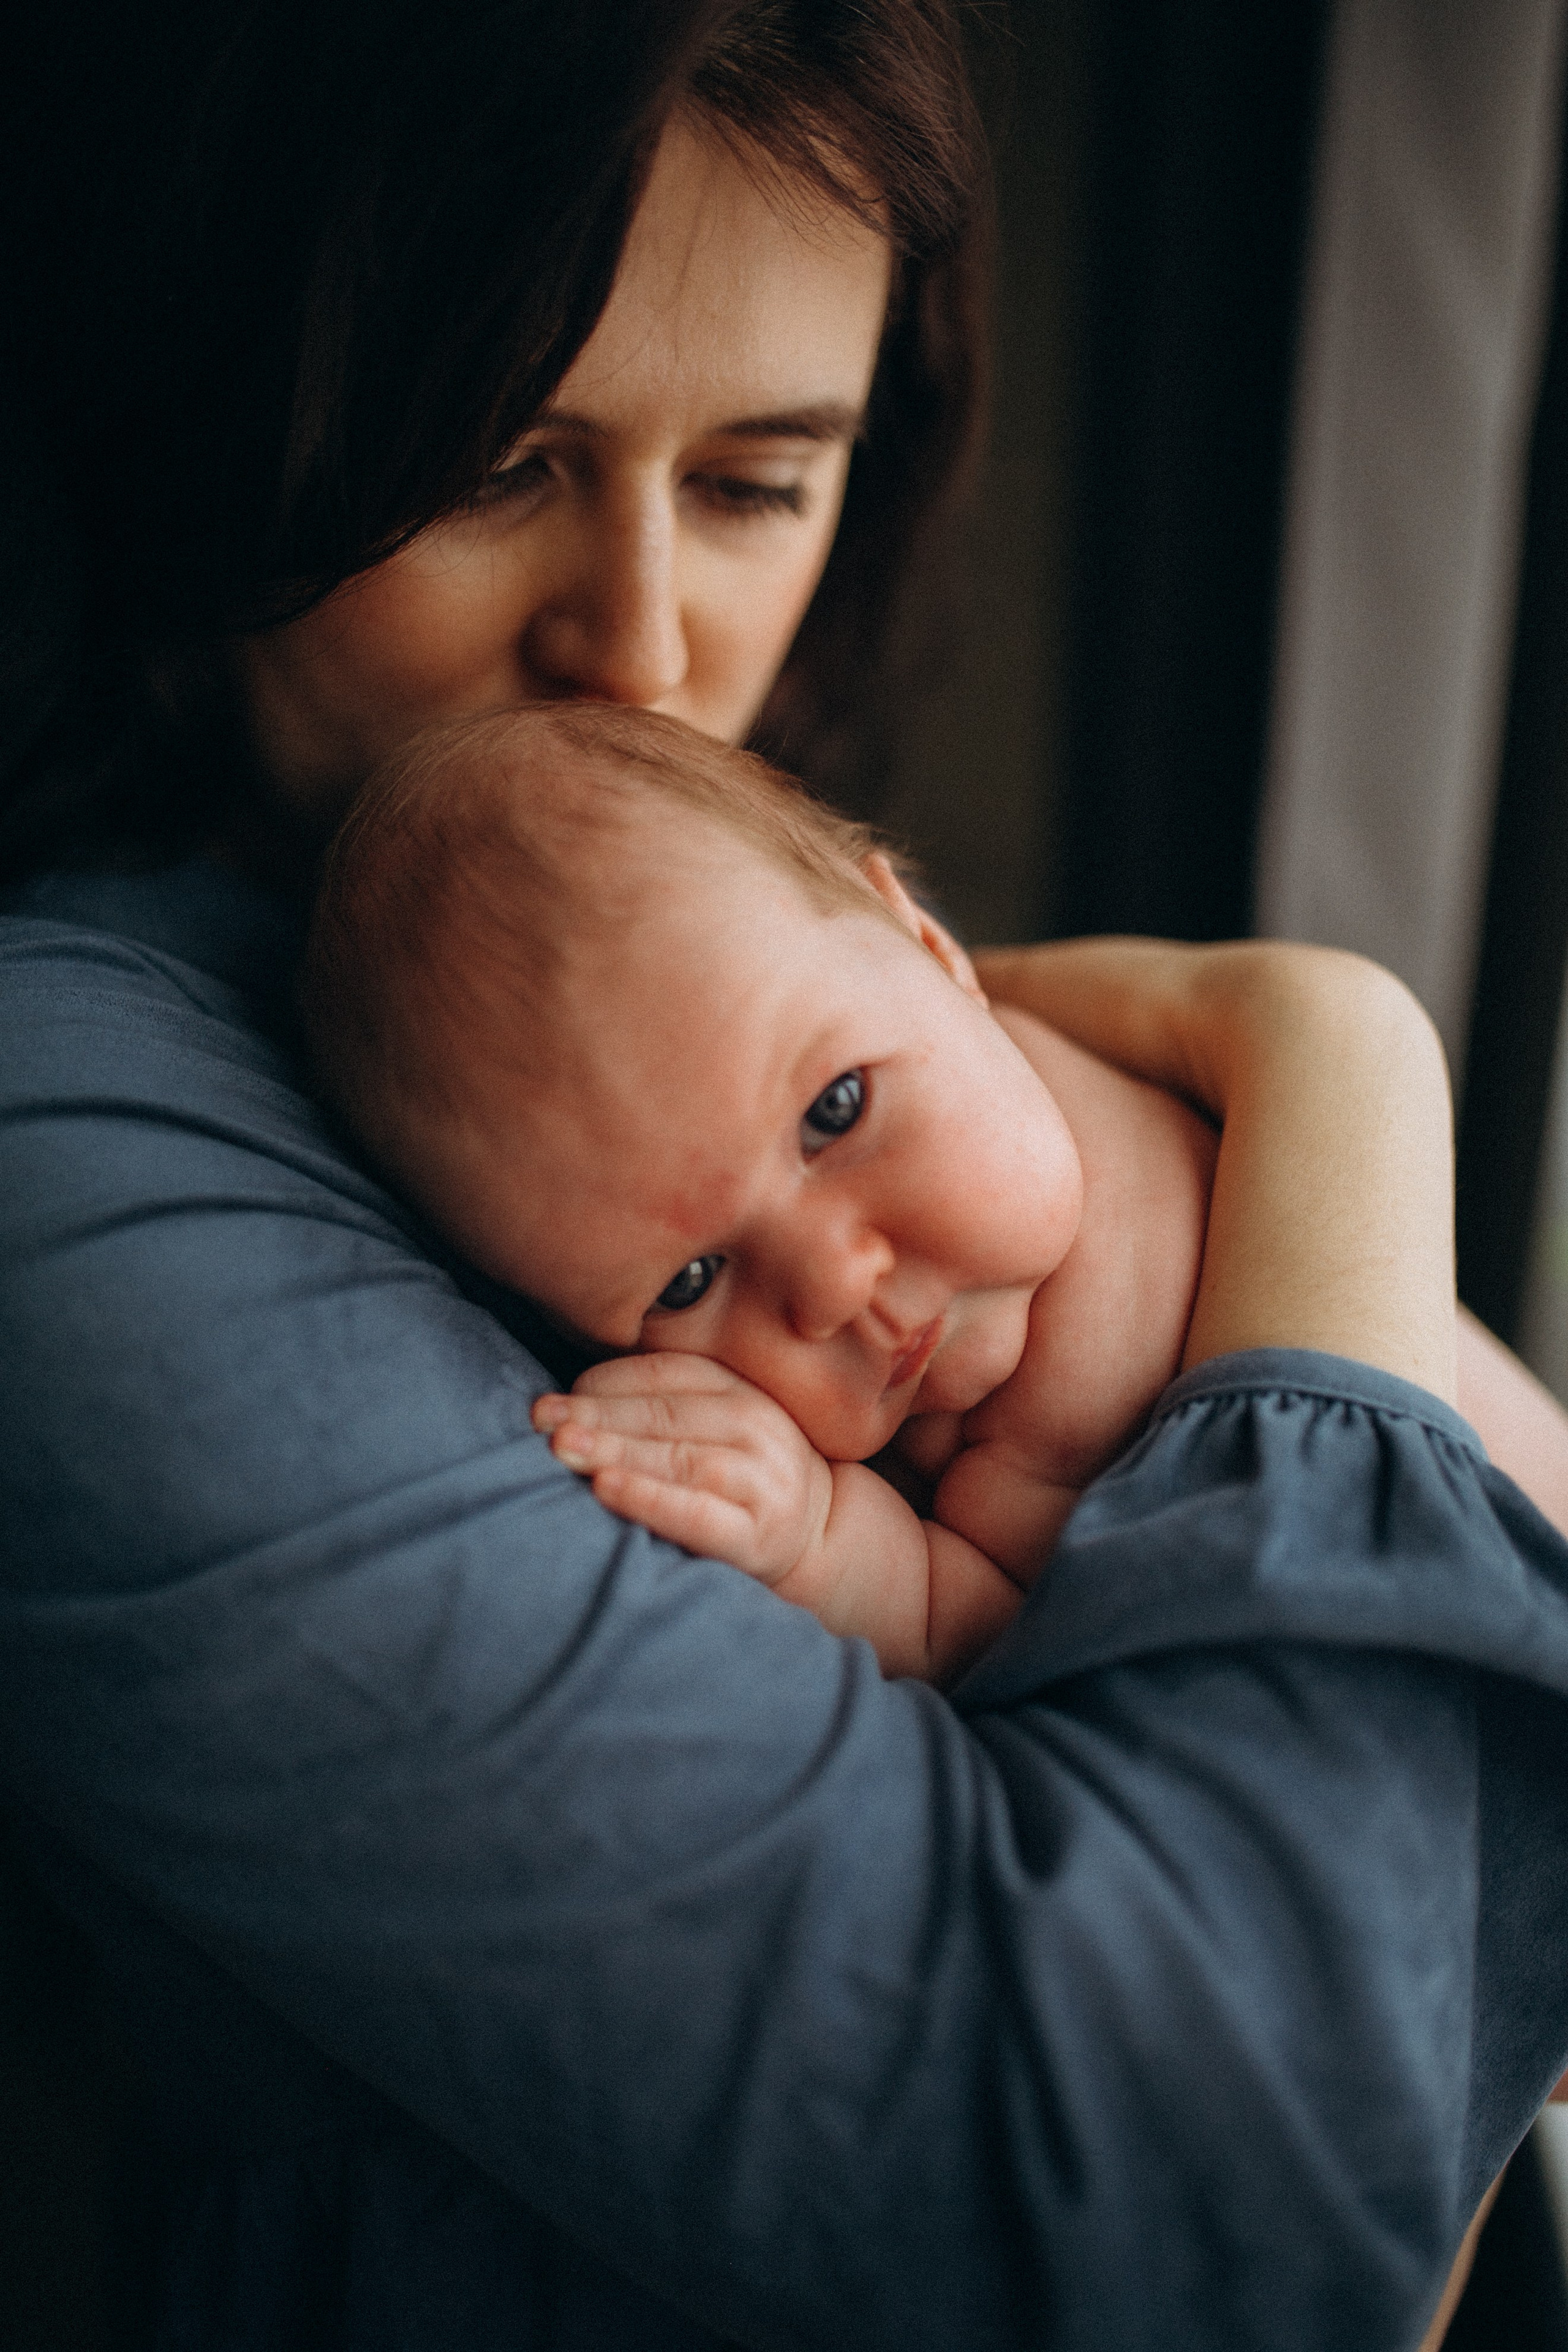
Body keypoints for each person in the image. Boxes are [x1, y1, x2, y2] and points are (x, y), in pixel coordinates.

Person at [4, 7, 1568, 2349]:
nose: (635, 652)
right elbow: (1228, 2218)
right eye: (496, 458)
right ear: (228, 389)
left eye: (755, 482)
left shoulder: (926, 1060)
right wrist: (1338, 1063)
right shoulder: (81, 1123)